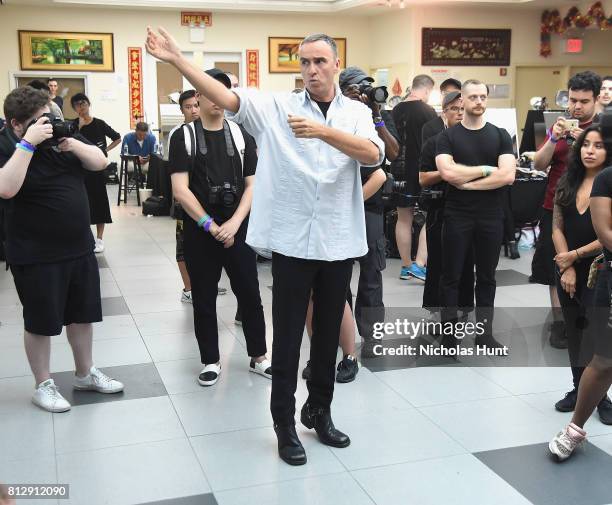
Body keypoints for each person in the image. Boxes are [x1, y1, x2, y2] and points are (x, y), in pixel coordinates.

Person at [145, 27, 384, 466]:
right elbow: (227, 96)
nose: (312, 69)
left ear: (335, 64)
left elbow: (372, 155)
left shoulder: (355, 113)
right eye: (305, 62)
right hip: (292, 242)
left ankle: (319, 410)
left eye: (319, 61)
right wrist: (178, 60)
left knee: (328, 335)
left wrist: (322, 132)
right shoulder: (278, 107)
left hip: (336, 241)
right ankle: (284, 424)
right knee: (289, 338)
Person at [0, 86, 124, 413]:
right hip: (35, 253)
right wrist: (28, 143)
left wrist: (72, 144)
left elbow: (99, 162)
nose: (50, 123)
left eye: (52, 116)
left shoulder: (62, 140)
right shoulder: (8, 144)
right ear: (16, 124)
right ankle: (43, 384)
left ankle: (85, 373)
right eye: (40, 120)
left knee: (82, 316)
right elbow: (6, 187)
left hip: (79, 248)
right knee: (40, 321)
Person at [168, 68, 271, 387]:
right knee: (203, 296)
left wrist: (235, 222)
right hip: (201, 230)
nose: (217, 98)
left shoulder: (242, 136)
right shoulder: (183, 137)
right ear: (197, 97)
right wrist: (211, 225)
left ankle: (259, 356)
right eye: (208, 91)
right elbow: (180, 190)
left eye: (223, 92)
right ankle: (210, 360)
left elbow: (253, 185)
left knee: (250, 294)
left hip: (238, 228)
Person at [301, 66, 396, 382]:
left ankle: (372, 339)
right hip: (335, 211)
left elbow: (389, 158)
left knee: (371, 277)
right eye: (357, 89)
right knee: (334, 282)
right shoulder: (335, 117)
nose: (364, 94)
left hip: (369, 210)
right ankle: (336, 348)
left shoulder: (376, 116)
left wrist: (378, 117)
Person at [549, 111, 612, 461]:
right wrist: (566, 263)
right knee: (575, 330)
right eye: (585, 145)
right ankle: (578, 390)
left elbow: (605, 239)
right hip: (568, 265)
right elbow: (557, 225)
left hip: (600, 265)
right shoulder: (567, 183)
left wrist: (575, 255)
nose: (590, 151)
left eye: (598, 146)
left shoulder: (607, 182)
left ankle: (600, 397)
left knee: (596, 333)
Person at [436, 79, 516, 348]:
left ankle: (484, 334)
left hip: (490, 216)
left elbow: (507, 175)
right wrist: (486, 170)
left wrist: (467, 182)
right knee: (451, 276)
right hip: (457, 214)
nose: (479, 102)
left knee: (487, 277)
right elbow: (447, 172)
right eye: (473, 97)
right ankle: (449, 334)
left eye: (483, 96)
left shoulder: (501, 134)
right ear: (462, 101)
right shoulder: (448, 136)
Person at [531, 71, 601, 349]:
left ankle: (589, 318)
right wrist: (552, 138)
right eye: (572, 100)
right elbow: (538, 164)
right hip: (555, 205)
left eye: (584, 101)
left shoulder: (602, 130)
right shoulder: (555, 125)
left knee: (591, 265)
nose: (577, 106)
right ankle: (560, 323)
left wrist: (584, 138)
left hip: (592, 206)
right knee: (555, 265)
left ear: (596, 100)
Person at [168, 89, 227, 302]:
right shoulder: (179, 135)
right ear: (182, 109)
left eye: (195, 105)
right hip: (187, 205)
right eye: (188, 107)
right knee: (183, 247)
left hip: (213, 205)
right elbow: (178, 180)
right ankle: (189, 288)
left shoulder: (222, 132)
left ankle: (207, 282)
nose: (193, 110)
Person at [420, 91, 474, 314]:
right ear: (445, 112)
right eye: (454, 109)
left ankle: (462, 306)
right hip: (439, 209)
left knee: (466, 260)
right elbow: (422, 178)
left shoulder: (476, 141)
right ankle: (436, 308)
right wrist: (447, 172)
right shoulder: (433, 143)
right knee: (439, 261)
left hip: (470, 209)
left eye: (463, 108)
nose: (459, 113)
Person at [391, 74, 437, 281]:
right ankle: (419, 263)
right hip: (420, 170)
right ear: (427, 90)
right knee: (430, 217)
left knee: (403, 218)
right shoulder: (428, 111)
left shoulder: (395, 109)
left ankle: (405, 266)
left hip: (398, 169)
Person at [71, 93, 121, 254]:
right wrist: (78, 127)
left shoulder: (99, 123)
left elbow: (117, 138)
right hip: (78, 169)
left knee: (99, 202)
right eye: (77, 104)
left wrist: (105, 151)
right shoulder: (72, 125)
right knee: (80, 203)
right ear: (74, 108)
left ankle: (99, 239)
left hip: (97, 170)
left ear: (88, 104)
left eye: (83, 103)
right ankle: (84, 237)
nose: (81, 106)